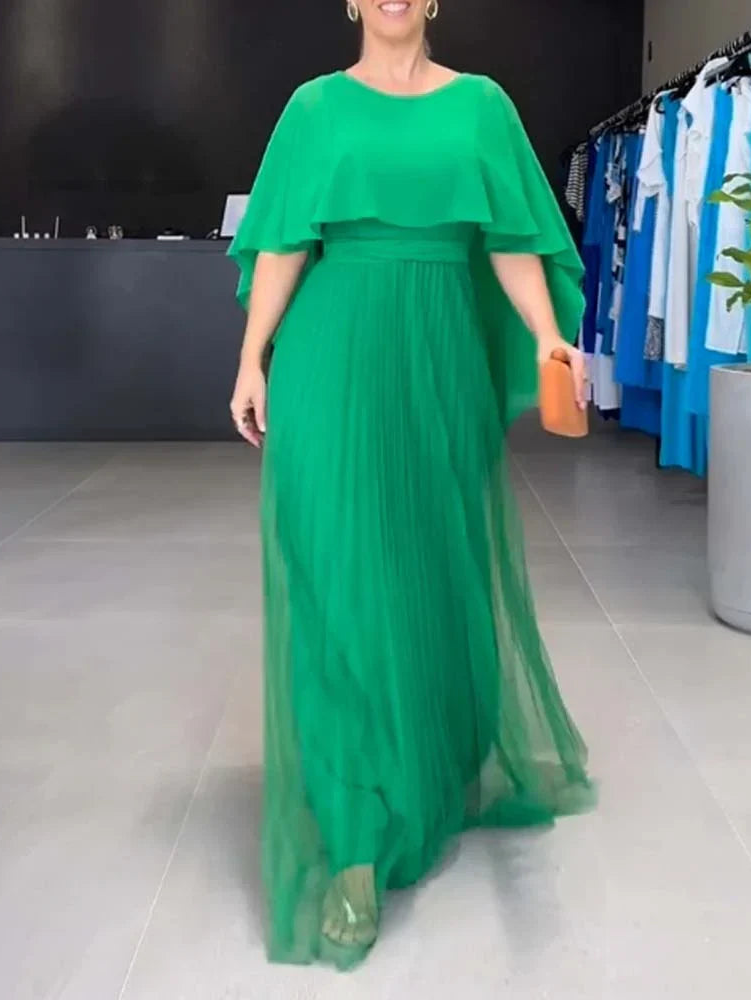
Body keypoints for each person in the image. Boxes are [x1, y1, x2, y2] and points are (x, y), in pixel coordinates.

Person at [229, 0, 595, 970]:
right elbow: (283, 242)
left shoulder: (481, 107)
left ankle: (424, 762)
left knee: (431, 575)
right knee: (339, 583)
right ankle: (353, 839)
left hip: (438, 363)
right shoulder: (313, 108)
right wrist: (253, 355)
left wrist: (546, 336)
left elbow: (511, 239)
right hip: (331, 356)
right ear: (351, 1)